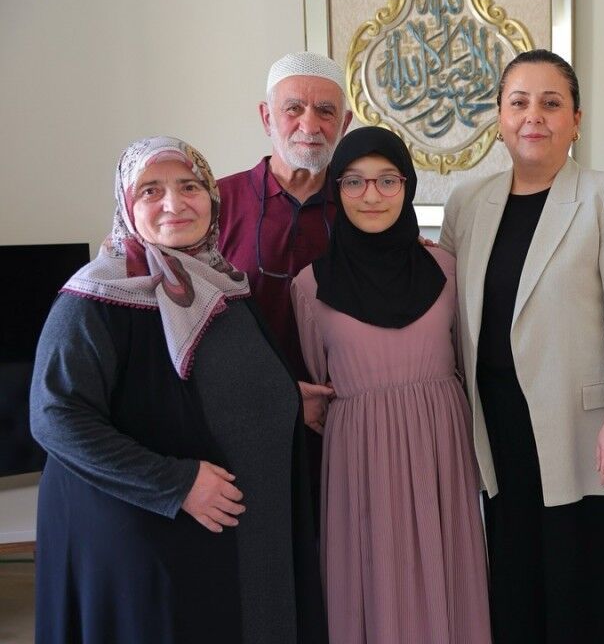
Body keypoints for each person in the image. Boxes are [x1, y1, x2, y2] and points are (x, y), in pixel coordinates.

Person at [30, 136, 326, 643]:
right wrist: (175, 483)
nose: (174, 203)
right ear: (126, 203)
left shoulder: (221, 281)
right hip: (152, 543)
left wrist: (283, 397)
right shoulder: (94, 297)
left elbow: (220, 375)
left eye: (189, 186)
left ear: (211, 196)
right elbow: (56, 417)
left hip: (249, 538)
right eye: (151, 190)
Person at [440, 49, 604, 643]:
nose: (533, 115)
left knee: (582, 600)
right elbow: (443, 314)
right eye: (518, 102)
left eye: (551, 102)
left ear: (576, 119)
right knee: (513, 596)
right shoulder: (467, 203)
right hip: (496, 431)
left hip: (587, 432)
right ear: (499, 117)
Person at [291, 127, 490, 643]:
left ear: (407, 186)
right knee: (373, 584)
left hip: (440, 449)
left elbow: (467, 360)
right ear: (336, 189)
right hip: (360, 456)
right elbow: (318, 378)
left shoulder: (446, 269)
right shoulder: (309, 287)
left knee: (446, 580)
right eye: (354, 182)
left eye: (387, 180)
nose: (371, 195)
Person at [218, 51, 352, 404]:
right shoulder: (216, 203)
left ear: (345, 124)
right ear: (267, 118)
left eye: (325, 111)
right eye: (293, 108)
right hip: (245, 405)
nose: (309, 126)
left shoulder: (361, 206)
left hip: (342, 406)